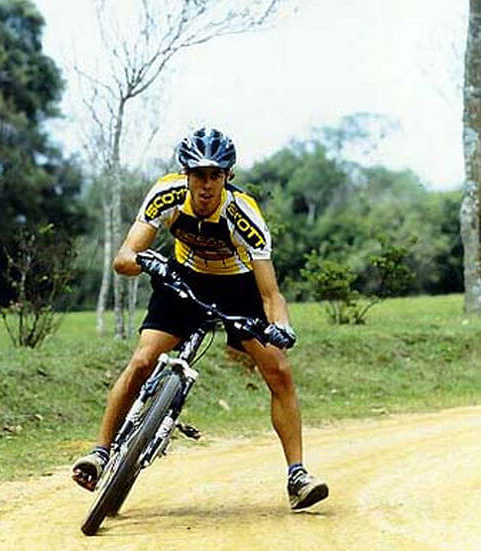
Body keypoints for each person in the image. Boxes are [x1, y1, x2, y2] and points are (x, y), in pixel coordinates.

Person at [72, 127, 328, 511]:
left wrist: (282, 328)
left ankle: (297, 475)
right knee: (143, 361)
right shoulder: (167, 194)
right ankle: (101, 453)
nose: (206, 185)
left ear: (227, 177)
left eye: (216, 175)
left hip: (237, 286)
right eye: (198, 174)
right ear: (185, 174)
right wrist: (145, 260)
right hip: (183, 277)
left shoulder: (244, 214)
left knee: (279, 371)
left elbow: (270, 293)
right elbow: (122, 259)